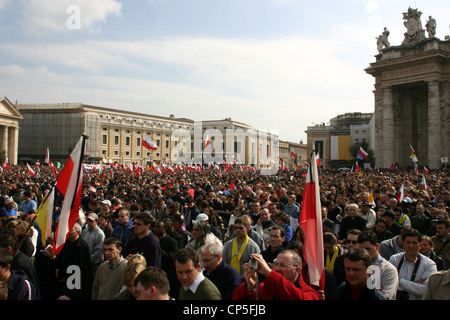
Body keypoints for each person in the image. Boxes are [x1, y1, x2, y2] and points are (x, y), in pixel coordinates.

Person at [232, 250, 319, 300]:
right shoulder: (266, 288)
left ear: (298, 270)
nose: (277, 268)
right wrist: (249, 287)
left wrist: (269, 273)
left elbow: (295, 296)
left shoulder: (310, 294)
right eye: (276, 264)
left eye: (283, 265)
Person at [389, 227, 437, 300]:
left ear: (420, 245)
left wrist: (400, 281)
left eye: (414, 243)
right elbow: (387, 284)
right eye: (408, 242)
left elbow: (426, 290)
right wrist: (414, 284)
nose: (411, 246)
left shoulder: (429, 264)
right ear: (403, 243)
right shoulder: (394, 259)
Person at [52, 223, 93, 300]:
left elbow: (78, 266)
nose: (68, 232)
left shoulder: (81, 246)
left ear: (78, 232)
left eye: (71, 230)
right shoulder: (66, 243)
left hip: (75, 281)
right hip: (64, 279)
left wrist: (63, 274)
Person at [357, 230, 399, 300]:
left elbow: (385, 297)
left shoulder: (389, 270)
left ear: (377, 246)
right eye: (361, 250)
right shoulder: (356, 267)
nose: (364, 253)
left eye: (367, 249)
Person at [81, 212, 105, 278]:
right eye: (88, 220)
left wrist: (88, 260)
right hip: (85, 261)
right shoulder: (84, 231)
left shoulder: (100, 234)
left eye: (91, 221)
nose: (89, 223)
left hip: (95, 263)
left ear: (96, 221)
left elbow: (98, 250)